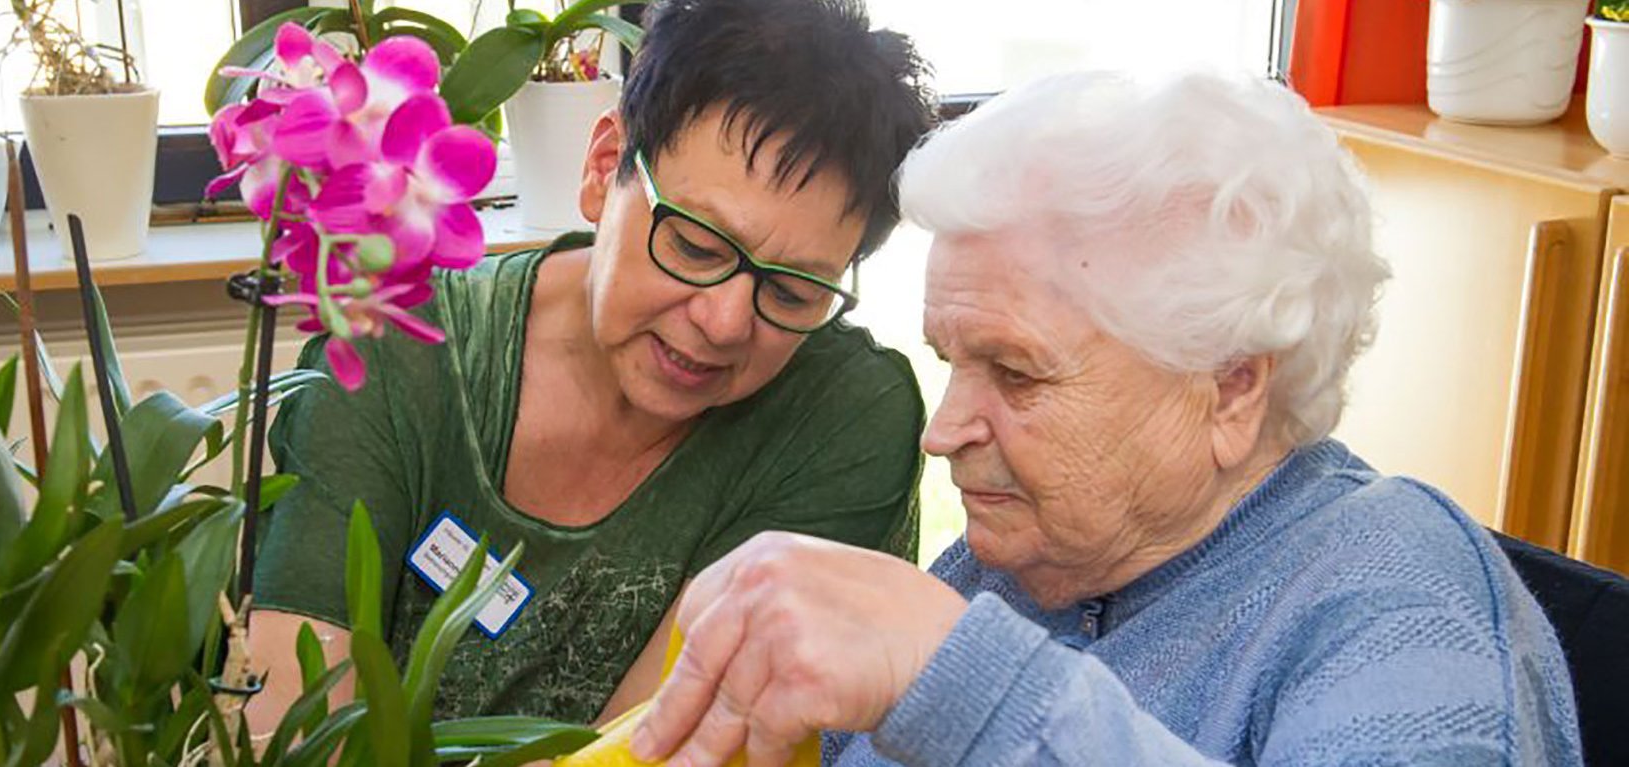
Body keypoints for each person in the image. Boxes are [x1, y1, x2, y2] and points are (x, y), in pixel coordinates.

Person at [629, 71, 1584, 766]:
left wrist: (956, 673)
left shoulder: (1399, 598)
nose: (944, 428)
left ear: (1231, 388)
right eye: (952, 361)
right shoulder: (1023, 565)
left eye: (1015, 371)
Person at [246, 0, 936, 729]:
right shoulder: (398, 344)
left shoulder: (842, 415)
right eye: (695, 246)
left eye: (794, 290)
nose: (725, 321)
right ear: (605, 168)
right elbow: (286, 719)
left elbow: (654, 744)